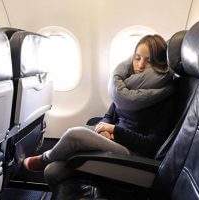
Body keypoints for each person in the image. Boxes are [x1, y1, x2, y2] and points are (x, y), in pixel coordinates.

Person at [23, 34, 174, 186]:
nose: (140, 65)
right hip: (113, 142)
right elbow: (109, 116)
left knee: (75, 135)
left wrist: (115, 130)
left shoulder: (164, 95)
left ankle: (43, 159)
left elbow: (150, 144)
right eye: (137, 58)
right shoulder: (128, 89)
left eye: (148, 61)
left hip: (133, 155)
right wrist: (105, 130)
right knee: (52, 171)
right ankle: (46, 164)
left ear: (159, 64)